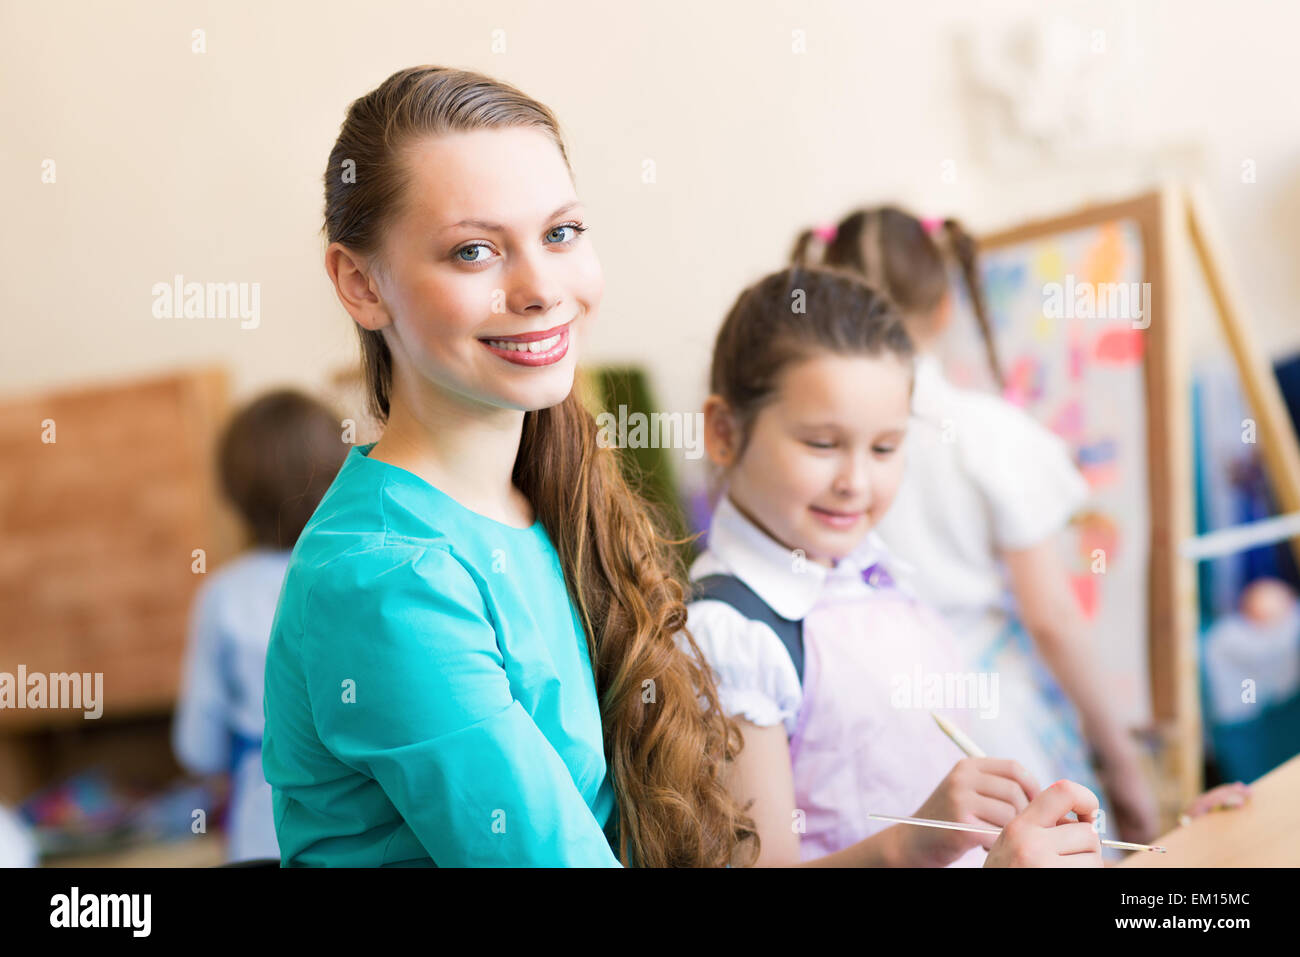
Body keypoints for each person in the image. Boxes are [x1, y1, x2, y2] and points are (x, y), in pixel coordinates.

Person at [260, 66, 754, 867]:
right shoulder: (384, 576)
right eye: (475, 251)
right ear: (361, 283)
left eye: (561, 234)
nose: (538, 288)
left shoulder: (546, 494)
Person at [686, 265, 1104, 866]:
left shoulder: (875, 573)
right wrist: (911, 841)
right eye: (822, 444)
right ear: (724, 433)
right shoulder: (730, 638)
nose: (856, 482)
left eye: (885, 448)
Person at [791, 206, 1161, 843]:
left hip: (862, 730)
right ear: (943, 308)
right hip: (996, 726)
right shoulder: (988, 435)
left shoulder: (804, 440)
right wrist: (1124, 766)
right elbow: (1052, 617)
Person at [173, 389, 347, 862]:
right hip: (361, 833)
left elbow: (197, 745)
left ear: (234, 492)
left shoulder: (224, 596)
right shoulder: (357, 573)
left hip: (262, 835)